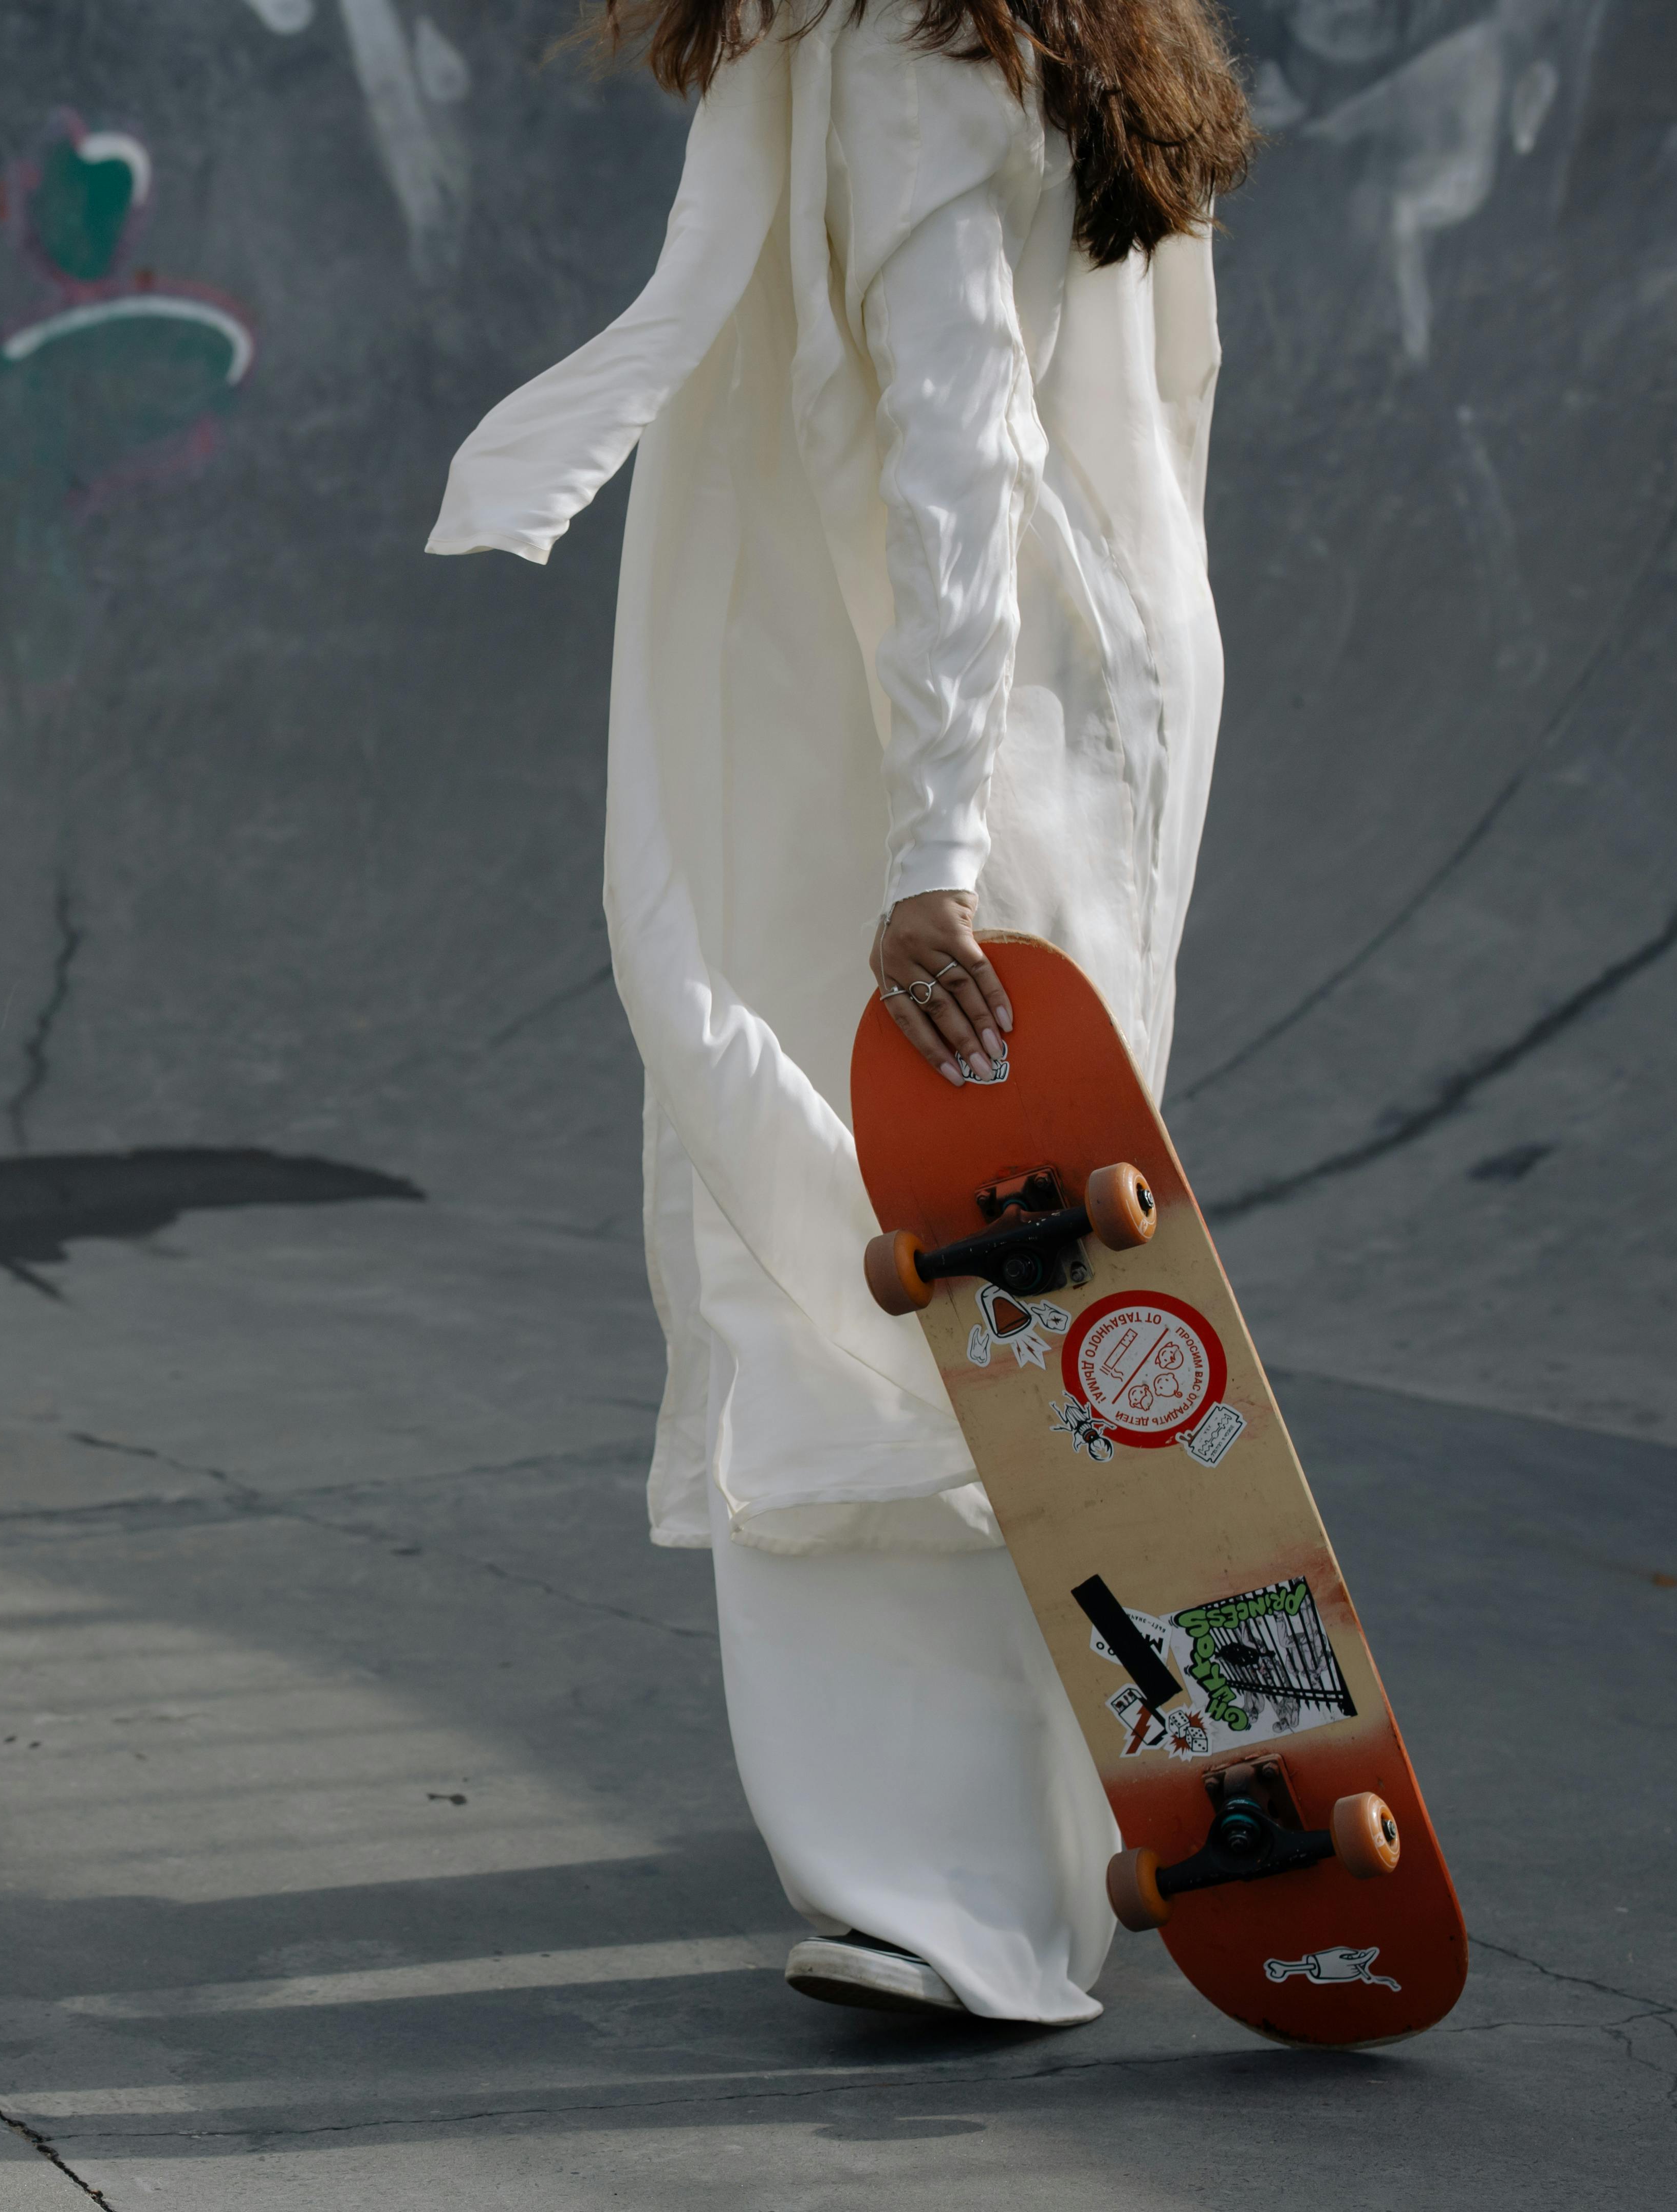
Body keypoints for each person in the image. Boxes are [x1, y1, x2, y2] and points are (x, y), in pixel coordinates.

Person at [429, 0, 1254, 2022]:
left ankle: (964, 1889)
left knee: (886, 1265)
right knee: (1045, 1278)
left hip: (932, 729)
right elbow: (1173, 387)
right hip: (1093, 694)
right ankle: (1070, 1821)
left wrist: (931, 851)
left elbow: (958, 449)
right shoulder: (1057, 32)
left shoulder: (902, 50)